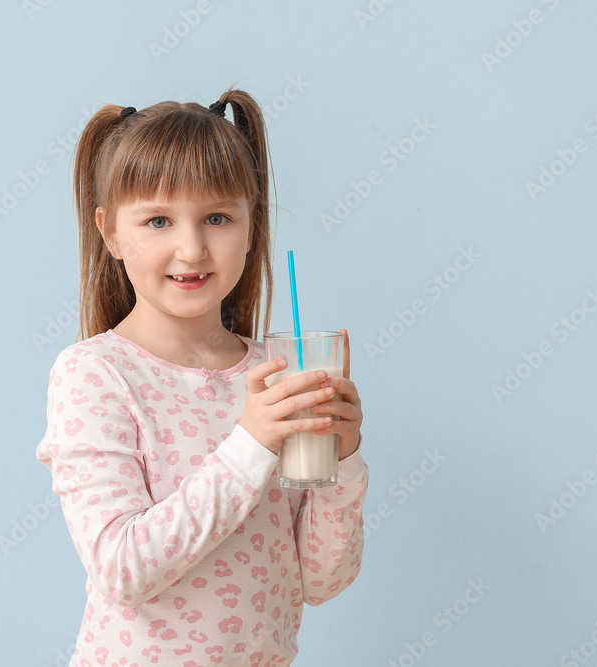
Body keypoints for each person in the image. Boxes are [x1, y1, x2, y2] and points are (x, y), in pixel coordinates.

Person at [35, 83, 368, 666]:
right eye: (159, 221)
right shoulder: (95, 376)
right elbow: (123, 568)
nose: (191, 249)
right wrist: (251, 443)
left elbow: (320, 579)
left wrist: (342, 461)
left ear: (250, 225)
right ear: (111, 231)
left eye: (216, 217)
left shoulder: (275, 375)